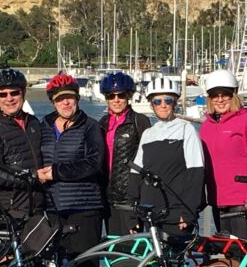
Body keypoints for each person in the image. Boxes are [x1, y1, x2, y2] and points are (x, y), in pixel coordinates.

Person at [38, 73, 105, 257]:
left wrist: (56, 172)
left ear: (77, 99)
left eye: (70, 97)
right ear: (53, 102)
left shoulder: (90, 126)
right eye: (60, 99)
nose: (65, 102)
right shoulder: (44, 127)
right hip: (54, 209)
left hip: (84, 207)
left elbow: (94, 163)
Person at [128, 76, 204, 237]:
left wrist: (189, 212)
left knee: (175, 260)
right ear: (151, 104)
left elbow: (195, 173)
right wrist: (133, 214)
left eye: (168, 101)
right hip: (151, 212)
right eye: (157, 101)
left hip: (177, 213)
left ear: (175, 102)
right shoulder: (148, 134)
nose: (163, 105)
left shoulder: (186, 129)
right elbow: (137, 174)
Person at [199, 69, 247, 242]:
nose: (220, 99)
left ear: (234, 94)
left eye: (225, 94)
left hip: (242, 200)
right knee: (229, 257)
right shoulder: (206, 126)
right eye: (215, 95)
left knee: (245, 256)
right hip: (217, 199)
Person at [0, 67, 45, 219]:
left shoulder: (33, 123)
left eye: (14, 92)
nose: (9, 99)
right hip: (10, 209)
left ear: (23, 93)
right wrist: (31, 179)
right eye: (3, 94)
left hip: (37, 206)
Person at [97, 71, 150, 236]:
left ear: (129, 96)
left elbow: (147, 158)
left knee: (133, 250)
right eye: (111, 96)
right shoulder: (102, 123)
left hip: (130, 198)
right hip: (108, 197)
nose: (116, 100)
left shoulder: (139, 121)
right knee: (113, 249)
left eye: (121, 95)